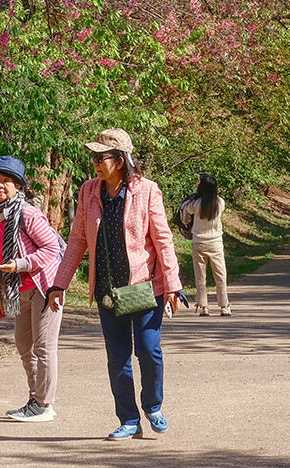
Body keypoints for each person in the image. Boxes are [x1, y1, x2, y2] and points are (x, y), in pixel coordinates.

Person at [48, 129, 185, 441]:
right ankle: (128, 419)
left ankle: (153, 405)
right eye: (94, 157)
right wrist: (59, 285)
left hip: (144, 287)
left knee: (149, 351)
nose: (96, 163)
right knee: (118, 358)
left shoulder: (147, 190)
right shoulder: (88, 191)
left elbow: (163, 241)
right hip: (108, 291)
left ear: (121, 160)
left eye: (102, 157)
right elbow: (77, 241)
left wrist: (173, 285)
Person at [0, 155, 65, 422]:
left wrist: (21, 264)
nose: (0, 185)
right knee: (23, 346)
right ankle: (34, 399)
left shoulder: (27, 213)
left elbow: (52, 249)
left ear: (18, 186)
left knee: (43, 347)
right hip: (18, 291)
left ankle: (44, 404)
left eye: (7, 181)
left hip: (44, 288)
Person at [179, 173, 230, 316]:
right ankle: (224, 306)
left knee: (200, 276)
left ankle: (203, 307)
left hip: (199, 242)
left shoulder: (195, 204)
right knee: (220, 275)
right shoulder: (220, 202)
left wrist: (196, 193)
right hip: (216, 243)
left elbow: (187, 210)